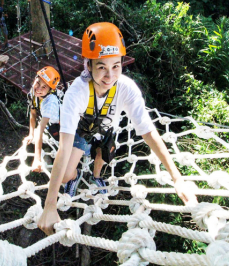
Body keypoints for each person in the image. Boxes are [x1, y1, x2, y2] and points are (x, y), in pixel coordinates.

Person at [38, 22, 198, 235]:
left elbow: (148, 131)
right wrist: (50, 205)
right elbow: (64, 148)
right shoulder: (76, 94)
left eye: (116, 66)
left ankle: (96, 176)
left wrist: (177, 178)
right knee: (66, 175)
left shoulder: (126, 88)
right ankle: (75, 176)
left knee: (100, 164)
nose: (110, 76)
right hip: (82, 132)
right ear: (89, 66)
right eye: (101, 67)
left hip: (106, 131)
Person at [27, 66, 61, 172]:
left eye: (44, 87)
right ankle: (48, 152)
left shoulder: (51, 102)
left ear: (50, 90)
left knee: (62, 152)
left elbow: (40, 129)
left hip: (60, 127)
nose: (38, 89)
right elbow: (33, 112)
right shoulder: (33, 93)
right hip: (49, 124)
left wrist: (37, 159)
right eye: (37, 83)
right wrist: (31, 134)